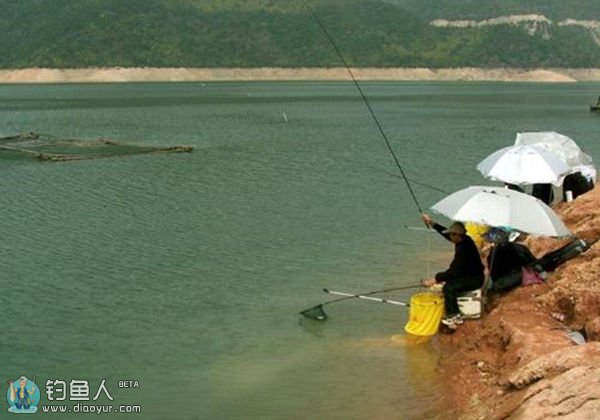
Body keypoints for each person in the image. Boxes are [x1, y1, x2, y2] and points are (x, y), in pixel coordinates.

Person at [421, 214, 485, 328]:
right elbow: (445, 232)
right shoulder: (464, 240)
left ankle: (454, 316)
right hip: (468, 274)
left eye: (451, 235)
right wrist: (432, 223)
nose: (449, 237)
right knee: (447, 283)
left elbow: (454, 271)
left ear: (457, 235)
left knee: (448, 288)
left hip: (475, 279)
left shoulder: (464, 250)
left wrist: (435, 279)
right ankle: (453, 311)